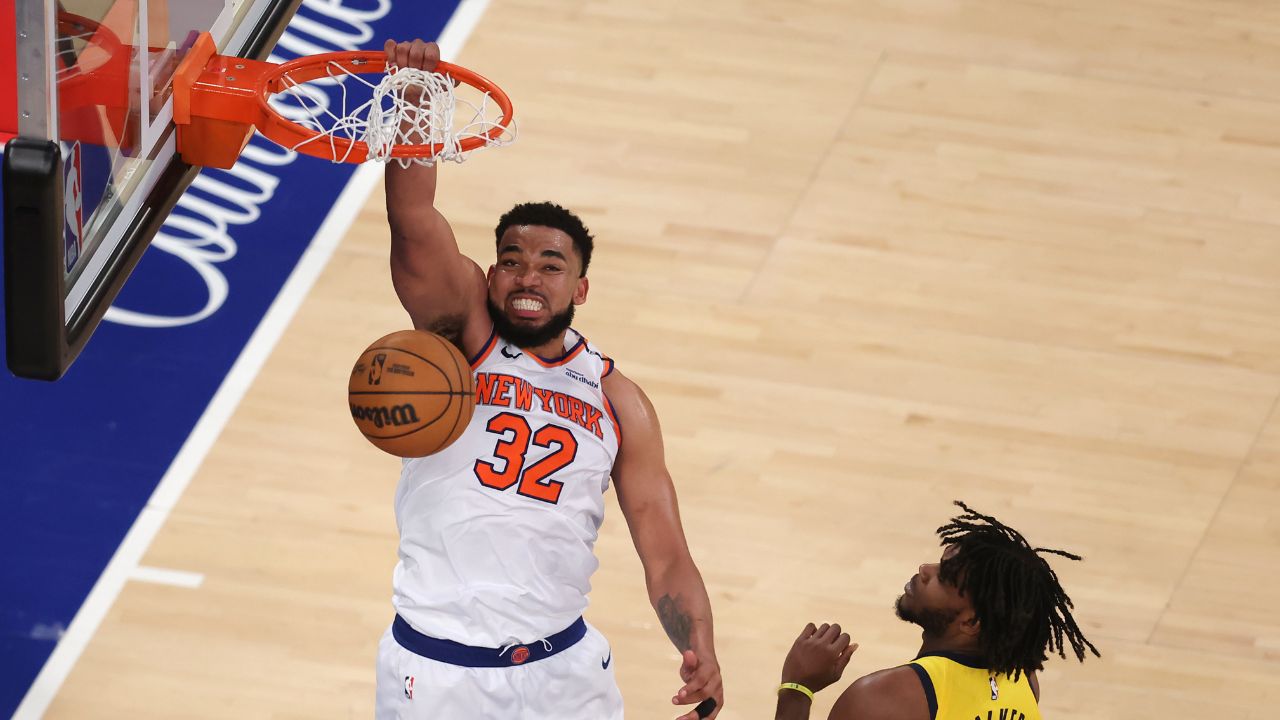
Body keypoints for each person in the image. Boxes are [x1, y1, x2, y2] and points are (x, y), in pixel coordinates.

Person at [374, 38, 723, 720]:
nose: (528, 276)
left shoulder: (619, 400)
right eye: (512, 260)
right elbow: (413, 222)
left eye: (550, 265)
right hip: (437, 673)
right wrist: (416, 100)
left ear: (579, 289)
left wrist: (700, 646)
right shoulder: (462, 333)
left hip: (565, 673)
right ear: (491, 274)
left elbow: (666, 553)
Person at [775, 501, 1099, 720]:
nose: (925, 569)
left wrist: (797, 688)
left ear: (971, 621)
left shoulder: (882, 700)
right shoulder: (1023, 680)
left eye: (943, 578)